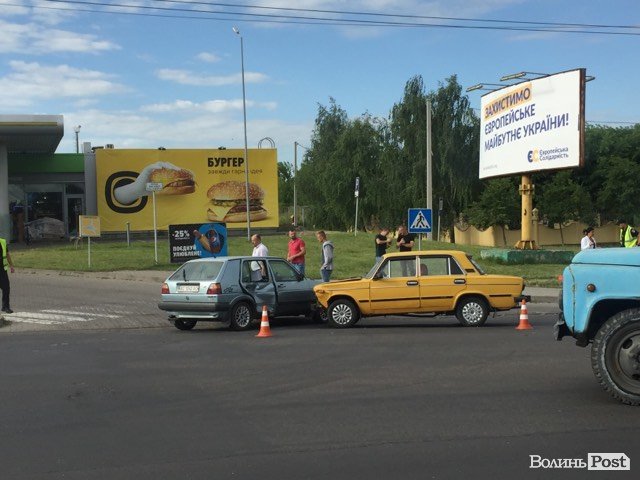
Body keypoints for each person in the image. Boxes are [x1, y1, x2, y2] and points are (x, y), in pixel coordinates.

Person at [0, 235, 16, 314]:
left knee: (6, 288)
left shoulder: (2, 242)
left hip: (2, 270)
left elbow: (7, 254)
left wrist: (11, 265)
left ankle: (5, 306)